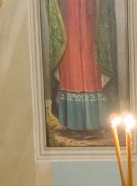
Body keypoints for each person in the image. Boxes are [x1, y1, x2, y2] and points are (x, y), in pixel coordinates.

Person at [46, 0, 118, 131]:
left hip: (91, 9)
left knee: (89, 53)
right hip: (69, 10)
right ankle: (72, 118)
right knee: (71, 53)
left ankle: (97, 118)